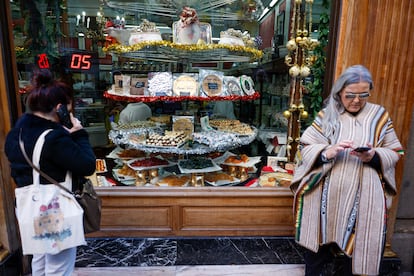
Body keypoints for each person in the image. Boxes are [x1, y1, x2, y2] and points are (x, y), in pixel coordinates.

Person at [290, 65, 404, 275]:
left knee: (359, 249)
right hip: (326, 197)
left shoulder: (379, 115)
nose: (356, 100)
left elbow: (396, 151)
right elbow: (305, 147)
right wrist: (327, 151)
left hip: (365, 197)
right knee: (318, 251)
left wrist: (373, 156)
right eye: (350, 95)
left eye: (363, 95)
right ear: (339, 92)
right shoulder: (327, 115)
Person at [5, 69, 96, 275]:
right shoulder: (54, 138)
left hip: (30, 207)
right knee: (59, 266)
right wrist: (79, 134)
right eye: (69, 106)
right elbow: (87, 165)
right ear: (59, 108)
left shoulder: (15, 133)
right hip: (54, 209)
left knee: (39, 257)